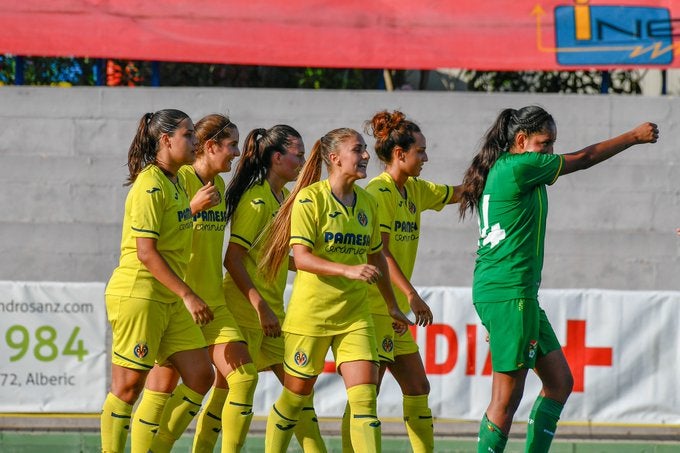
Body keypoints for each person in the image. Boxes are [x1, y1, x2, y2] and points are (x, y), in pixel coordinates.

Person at [457, 105, 659, 453]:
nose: (549, 152)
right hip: (509, 292)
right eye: (544, 143)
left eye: (552, 144)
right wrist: (633, 137)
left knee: (559, 382)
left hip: (513, 293)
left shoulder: (511, 167)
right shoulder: (521, 166)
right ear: (520, 141)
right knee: (506, 400)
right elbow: (583, 158)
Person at [258, 127, 413, 453]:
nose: (366, 155)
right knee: (295, 397)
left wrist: (391, 305)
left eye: (364, 149)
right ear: (334, 158)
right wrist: (348, 270)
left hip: (355, 315)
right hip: (311, 316)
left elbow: (377, 259)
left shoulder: (368, 203)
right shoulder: (309, 199)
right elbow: (301, 258)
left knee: (365, 403)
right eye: (358, 150)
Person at [129, 113, 263, 453]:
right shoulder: (181, 178)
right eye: (231, 145)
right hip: (179, 302)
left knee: (244, 377)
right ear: (210, 145)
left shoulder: (216, 185)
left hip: (213, 303)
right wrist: (192, 208)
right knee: (159, 390)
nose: (235, 153)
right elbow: (156, 236)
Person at [336, 110, 459, 453]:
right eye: (420, 151)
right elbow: (382, 253)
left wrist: (501, 165)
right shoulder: (379, 192)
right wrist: (411, 296)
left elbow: (462, 193)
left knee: (418, 387)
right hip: (373, 309)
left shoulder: (415, 190)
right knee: (366, 395)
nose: (426, 157)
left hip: (395, 312)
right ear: (400, 154)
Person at [102, 109, 215, 453]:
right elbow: (146, 253)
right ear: (166, 140)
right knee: (127, 388)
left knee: (200, 375)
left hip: (167, 296)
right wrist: (188, 295)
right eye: (189, 135)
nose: (196, 141)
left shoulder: (177, 181)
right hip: (141, 294)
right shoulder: (149, 184)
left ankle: (155, 448)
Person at [222, 125, 327, 452]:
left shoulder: (282, 198)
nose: (302, 159)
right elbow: (233, 259)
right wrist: (260, 306)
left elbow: (271, 256)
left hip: (271, 317)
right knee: (231, 393)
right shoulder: (256, 200)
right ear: (277, 157)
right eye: (297, 153)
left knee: (299, 397)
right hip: (246, 314)